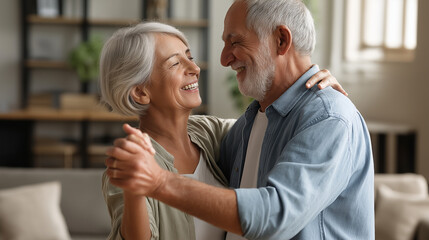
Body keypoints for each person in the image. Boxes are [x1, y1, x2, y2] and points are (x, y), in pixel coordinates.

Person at [100, 19, 346, 240]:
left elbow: (273, 126)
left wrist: (310, 89)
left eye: (190, 57)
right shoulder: (132, 162)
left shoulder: (209, 134)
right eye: (175, 63)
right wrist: (136, 189)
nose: (194, 69)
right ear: (141, 92)